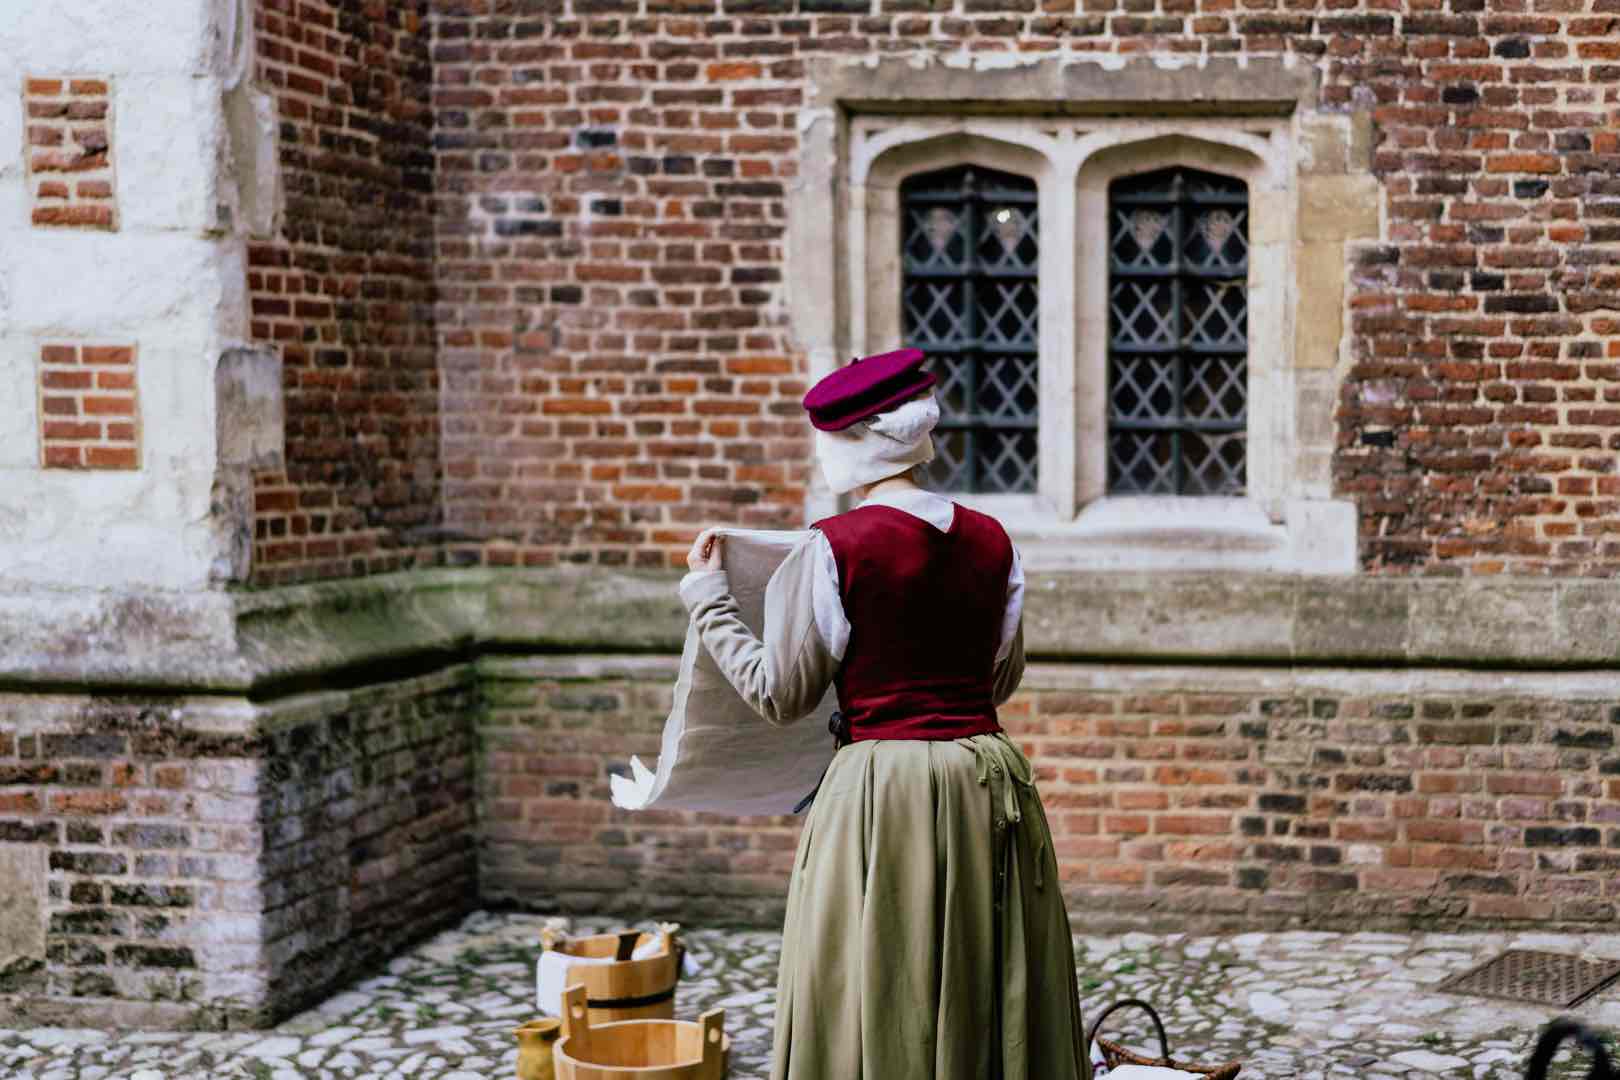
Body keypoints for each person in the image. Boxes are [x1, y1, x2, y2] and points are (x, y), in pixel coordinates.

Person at [676, 348, 1090, 1080]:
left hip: (878, 795)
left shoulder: (832, 549)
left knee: (876, 977)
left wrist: (710, 598)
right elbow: (1002, 675)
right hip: (987, 783)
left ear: (856, 442)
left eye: (827, 438)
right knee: (984, 971)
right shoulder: (993, 540)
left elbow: (781, 693)